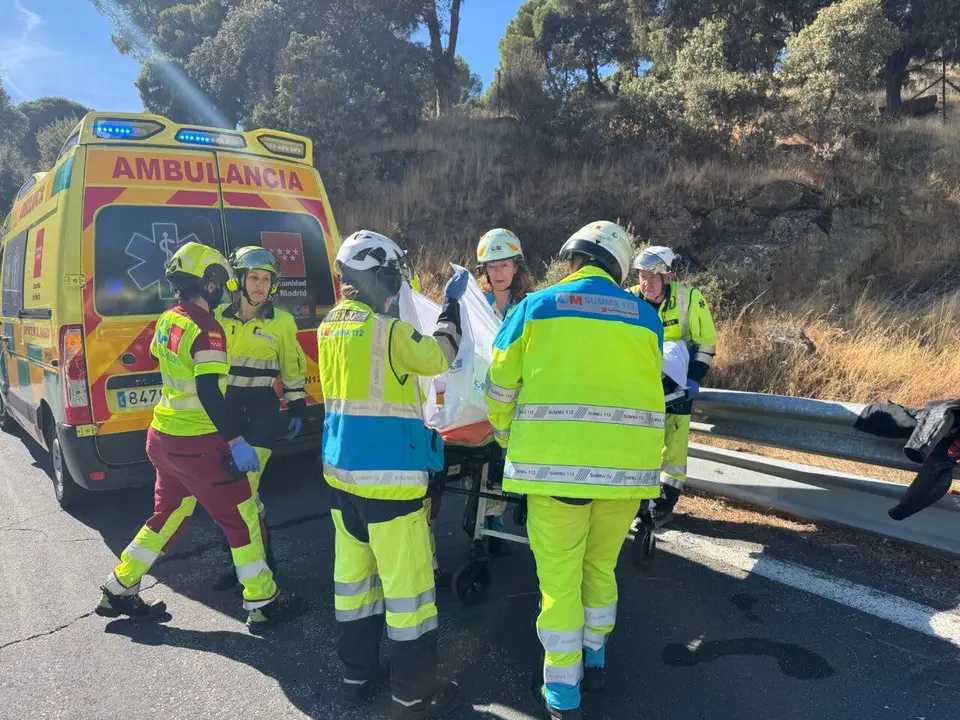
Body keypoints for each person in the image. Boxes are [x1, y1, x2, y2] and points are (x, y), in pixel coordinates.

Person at [485, 221, 665, 719]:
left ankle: (564, 693)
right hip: (627, 478)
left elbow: (498, 386)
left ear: (573, 262)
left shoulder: (536, 307)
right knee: (600, 569)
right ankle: (597, 659)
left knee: (560, 584)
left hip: (557, 475)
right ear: (618, 268)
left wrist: (508, 439)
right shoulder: (647, 320)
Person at [94, 242, 303, 632]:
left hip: (162, 437)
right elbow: (209, 392)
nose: (226, 287)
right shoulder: (209, 329)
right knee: (242, 518)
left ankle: (118, 586)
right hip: (199, 443)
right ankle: (262, 600)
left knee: (166, 517)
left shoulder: (167, 319)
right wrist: (237, 442)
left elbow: (163, 362)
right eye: (222, 280)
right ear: (209, 285)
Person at [319, 230, 468, 718]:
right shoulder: (388, 331)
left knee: (355, 590)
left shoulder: (327, 328)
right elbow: (439, 357)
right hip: (391, 488)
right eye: (394, 275)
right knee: (411, 600)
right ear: (378, 274)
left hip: (343, 484)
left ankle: (355, 677)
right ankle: (412, 694)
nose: (398, 286)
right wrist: (451, 309)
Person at [209, 245, 307, 590]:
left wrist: (297, 406)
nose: (260, 286)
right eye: (253, 278)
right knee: (230, 495)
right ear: (239, 280)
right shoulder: (217, 318)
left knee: (242, 495)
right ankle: (245, 564)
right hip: (227, 416)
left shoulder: (282, 323)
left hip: (263, 416)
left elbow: (293, 368)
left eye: (266, 280)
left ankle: (260, 572)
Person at [628, 246, 717, 527]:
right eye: (642, 276)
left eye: (654, 277)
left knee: (674, 448)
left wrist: (694, 378)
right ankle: (638, 500)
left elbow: (706, 343)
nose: (647, 283)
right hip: (640, 387)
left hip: (678, 387)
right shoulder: (628, 299)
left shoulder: (689, 298)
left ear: (669, 277)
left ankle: (664, 505)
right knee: (640, 445)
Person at [476, 228, 535, 555]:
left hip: (520, 399)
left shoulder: (529, 306)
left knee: (504, 462)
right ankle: (488, 518)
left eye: (504, 266)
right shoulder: (478, 305)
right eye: (492, 267)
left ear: (517, 267)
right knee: (485, 465)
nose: (497, 273)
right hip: (483, 397)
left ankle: (499, 515)